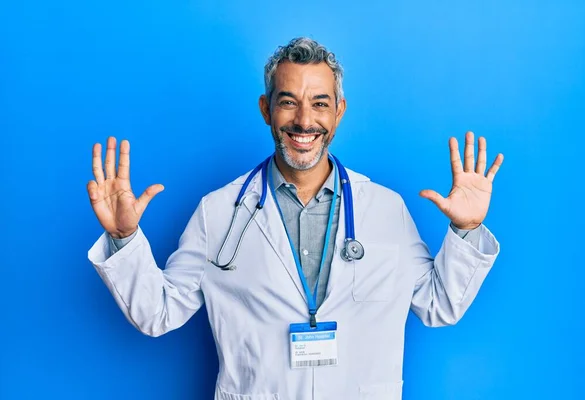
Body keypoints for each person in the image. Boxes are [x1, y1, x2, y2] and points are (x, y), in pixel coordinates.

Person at [87, 37, 503, 400]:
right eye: (289, 102)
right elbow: (156, 312)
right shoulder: (218, 212)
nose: (305, 121)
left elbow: (439, 305)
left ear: (338, 111)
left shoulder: (385, 209)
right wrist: (124, 237)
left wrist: (465, 230)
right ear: (266, 109)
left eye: (320, 103)